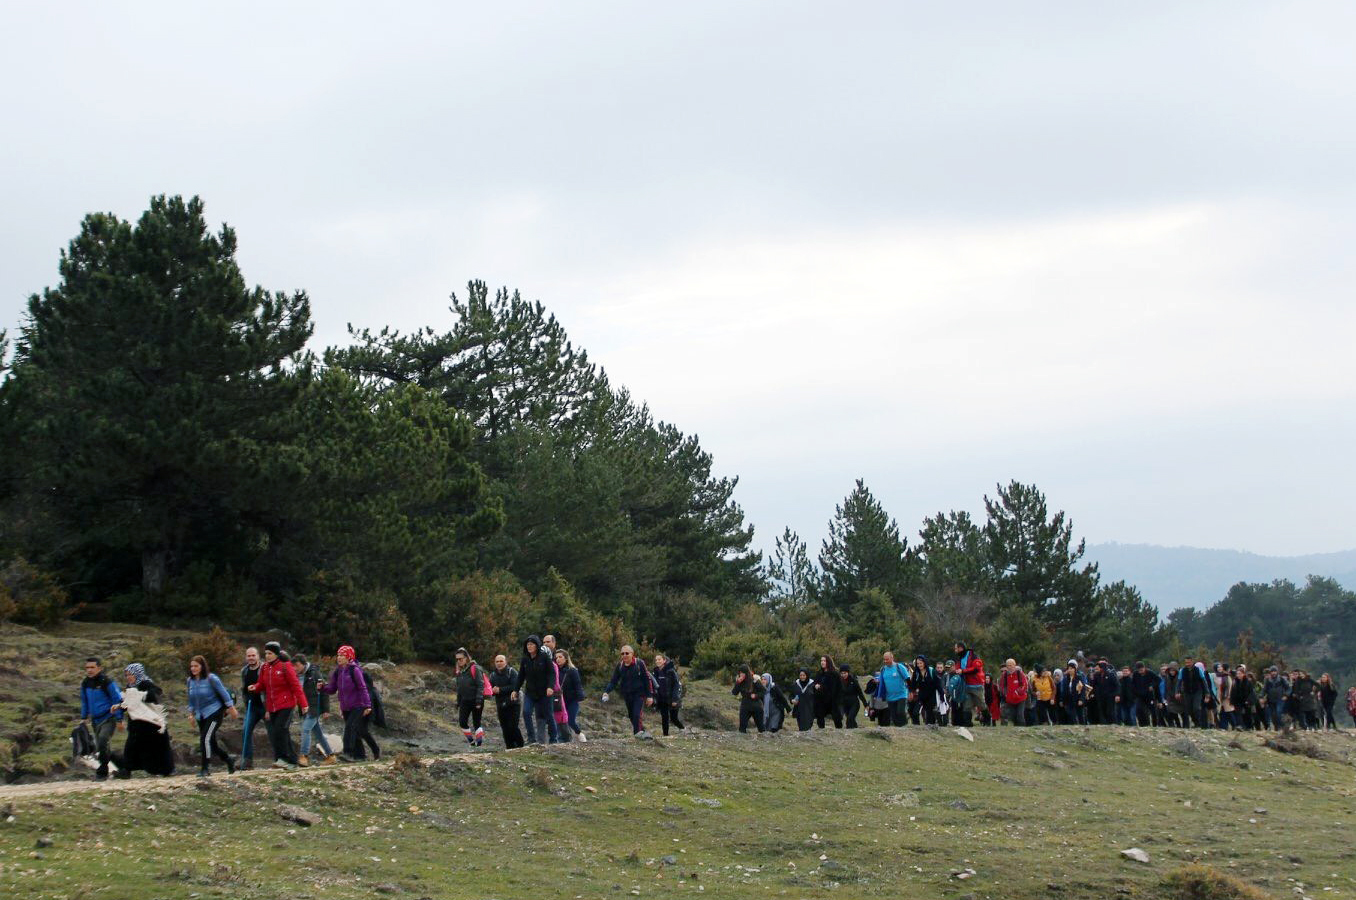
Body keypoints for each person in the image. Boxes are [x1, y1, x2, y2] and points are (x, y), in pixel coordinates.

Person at [109, 663, 174, 778]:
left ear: (137, 674)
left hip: (151, 726)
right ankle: (126, 771)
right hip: (136, 725)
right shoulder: (130, 687)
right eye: (127, 675)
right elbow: (130, 703)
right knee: (130, 748)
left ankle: (164, 770)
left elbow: (154, 695)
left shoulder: (146, 684)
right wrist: (119, 706)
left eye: (131, 674)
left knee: (156, 749)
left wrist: (140, 695)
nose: (128, 677)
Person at [320, 645, 379, 760]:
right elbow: (332, 689)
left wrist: (367, 705)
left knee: (350, 727)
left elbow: (362, 688)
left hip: (359, 705)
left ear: (349, 657)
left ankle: (348, 753)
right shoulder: (338, 671)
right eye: (338, 655)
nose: (339, 657)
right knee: (357, 730)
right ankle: (360, 756)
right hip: (346, 707)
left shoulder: (354, 670)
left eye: (342, 655)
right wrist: (322, 687)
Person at [185, 655, 238, 776]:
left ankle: (205, 768)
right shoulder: (190, 681)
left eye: (196, 666)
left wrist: (231, 708)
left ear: (202, 667)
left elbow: (224, 694)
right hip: (200, 715)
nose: (193, 668)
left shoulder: (211, 678)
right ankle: (228, 760)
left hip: (214, 712)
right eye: (191, 666)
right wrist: (190, 714)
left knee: (205, 739)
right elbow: (191, 699)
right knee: (212, 744)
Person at [79, 657, 124, 780]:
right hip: (95, 720)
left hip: (109, 718)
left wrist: (120, 719)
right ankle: (122, 766)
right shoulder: (85, 683)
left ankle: (102, 771)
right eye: (87, 667)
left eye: (92, 667)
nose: (89, 670)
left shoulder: (107, 682)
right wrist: (84, 717)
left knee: (103, 740)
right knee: (101, 747)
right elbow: (84, 701)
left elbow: (117, 699)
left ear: (99, 668)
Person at [601, 645, 654, 736]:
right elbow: (614, 681)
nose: (624, 655)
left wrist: (650, 696)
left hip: (639, 694)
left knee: (637, 715)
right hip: (627, 695)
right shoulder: (620, 666)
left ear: (632, 654)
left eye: (627, 653)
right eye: (622, 653)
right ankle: (642, 732)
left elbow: (647, 679)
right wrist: (606, 691)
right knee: (631, 716)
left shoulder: (639, 663)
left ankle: (637, 735)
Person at [293, 654, 335, 766]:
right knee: (318, 734)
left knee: (306, 729)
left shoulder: (314, 673)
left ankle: (304, 756)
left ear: (303, 664)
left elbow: (324, 690)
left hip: (314, 708)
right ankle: (331, 755)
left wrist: (326, 709)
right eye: (294, 666)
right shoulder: (296, 676)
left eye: (297, 666)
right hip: (304, 708)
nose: (295, 668)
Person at [516, 635, 558, 745]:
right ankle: (531, 738)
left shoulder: (544, 657)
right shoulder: (525, 659)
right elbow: (521, 676)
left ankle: (554, 739)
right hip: (530, 692)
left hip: (544, 692)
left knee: (548, 715)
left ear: (537, 645)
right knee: (526, 712)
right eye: (528, 644)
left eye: (532, 644)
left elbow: (551, 673)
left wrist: (550, 687)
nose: (529, 646)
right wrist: (515, 690)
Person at [237, 646, 266, 770]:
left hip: (265, 706)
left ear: (258, 656)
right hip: (252, 706)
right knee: (246, 731)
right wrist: (245, 700)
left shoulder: (265, 668)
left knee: (273, 732)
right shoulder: (244, 671)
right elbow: (243, 688)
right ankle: (247, 761)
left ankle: (280, 759)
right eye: (249, 656)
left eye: (253, 655)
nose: (251, 658)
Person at [488, 654, 525, 748]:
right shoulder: (492, 675)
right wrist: (492, 691)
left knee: (513, 726)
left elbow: (515, 686)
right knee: (504, 727)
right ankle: (509, 747)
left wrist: (500, 689)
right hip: (500, 703)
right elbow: (489, 689)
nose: (499, 663)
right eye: (497, 661)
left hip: (513, 703)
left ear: (506, 662)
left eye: (501, 661)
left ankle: (520, 745)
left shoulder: (511, 672)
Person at [453, 648, 488, 747]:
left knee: (477, 722)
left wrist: (478, 701)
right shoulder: (459, 672)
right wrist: (458, 702)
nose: (459, 661)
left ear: (467, 658)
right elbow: (459, 688)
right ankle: (472, 742)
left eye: (461, 659)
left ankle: (479, 744)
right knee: (462, 722)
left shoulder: (475, 668)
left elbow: (480, 685)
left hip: (476, 700)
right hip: (465, 701)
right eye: (457, 659)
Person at [555, 649, 587, 742]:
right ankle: (563, 739)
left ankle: (579, 733)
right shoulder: (554, 671)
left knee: (570, 720)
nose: (558, 659)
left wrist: (580, 696)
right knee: (560, 721)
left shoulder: (572, 671)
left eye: (560, 657)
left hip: (572, 700)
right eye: (556, 657)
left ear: (566, 658)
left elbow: (578, 684)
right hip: (560, 700)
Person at [875, 651, 911, 727]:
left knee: (900, 712)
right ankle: (899, 730)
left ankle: (905, 727)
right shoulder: (883, 669)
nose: (885, 661)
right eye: (884, 659)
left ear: (892, 658)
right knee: (894, 716)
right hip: (890, 697)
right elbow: (881, 681)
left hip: (901, 695)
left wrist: (911, 692)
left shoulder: (899, 667)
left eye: (887, 659)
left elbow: (908, 679)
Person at [954, 642, 985, 727]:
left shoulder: (974, 656)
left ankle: (987, 721)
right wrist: (956, 671)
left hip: (977, 685)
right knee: (967, 705)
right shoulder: (959, 658)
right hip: (966, 685)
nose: (955, 650)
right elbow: (957, 667)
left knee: (981, 704)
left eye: (956, 648)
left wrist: (963, 671)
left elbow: (976, 668)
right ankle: (967, 724)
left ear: (961, 648)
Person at [651, 653, 683, 736]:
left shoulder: (671, 671)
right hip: (662, 699)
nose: (657, 661)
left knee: (673, 718)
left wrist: (675, 699)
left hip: (672, 698)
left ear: (664, 660)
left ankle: (683, 730)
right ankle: (665, 735)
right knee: (664, 718)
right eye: (656, 660)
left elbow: (677, 685)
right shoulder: (655, 672)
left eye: (659, 659)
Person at [811, 655, 843, 729]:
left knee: (836, 718)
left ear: (828, 662)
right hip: (821, 699)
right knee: (820, 716)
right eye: (821, 661)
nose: (822, 662)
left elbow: (834, 687)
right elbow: (814, 683)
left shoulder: (834, 674)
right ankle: (821, 731)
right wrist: (815, 686)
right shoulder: (819, 673)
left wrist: (821, 687)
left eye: (824, 661)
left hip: (832, 700)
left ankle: (839, 732)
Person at [731, 665, 765, 733]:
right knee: (742, 727)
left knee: (760, 727)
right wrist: (738, 683)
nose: (741, 675)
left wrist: (756, 696)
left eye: (743, 673)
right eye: (740, 673)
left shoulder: (754, 680)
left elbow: (763, 691)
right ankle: (742, 741)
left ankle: (765, 740)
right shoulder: (739, 681)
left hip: (756, 706)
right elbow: (734, 692)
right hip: (745, 706)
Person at [998, 659, 1027, 727]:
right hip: (1010, 700)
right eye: (1007, 665)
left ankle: (1022, 729)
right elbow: (1001, 686)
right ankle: (1016, 730)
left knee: (1020, 715)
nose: (1009, 667)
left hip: (1020, 699)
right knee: (1013, 716)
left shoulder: (1020, 674)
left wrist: (1017, 692)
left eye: (1011, 665)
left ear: (1014, 665)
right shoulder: (1004, 675)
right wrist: (1006, 694)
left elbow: (1025, 685)